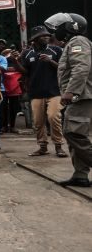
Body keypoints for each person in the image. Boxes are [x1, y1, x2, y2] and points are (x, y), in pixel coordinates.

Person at [49, 13, 92, 187]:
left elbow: (81, 68)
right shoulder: (72, 44)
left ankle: (81, 172)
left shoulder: (78, 42)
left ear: (70, 28)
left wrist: (71, 92)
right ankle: (80, 175)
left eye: (60, 26)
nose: (55, 31)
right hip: (78, 97)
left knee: (72, 133)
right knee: (76, 134)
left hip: (82, 96)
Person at [20, 26, 66, 157]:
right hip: (36, 92)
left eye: (47, 35)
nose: (47, 37)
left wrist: (50, 61)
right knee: (38, 121)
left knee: (53, 117)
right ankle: (42, 146)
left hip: (54, 91)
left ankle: (58, 146)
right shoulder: (28, 53)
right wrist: (15, 61)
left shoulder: (56, 50)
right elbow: (25, 72)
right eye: (43, 36)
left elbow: (63, 68)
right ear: (35, 39)